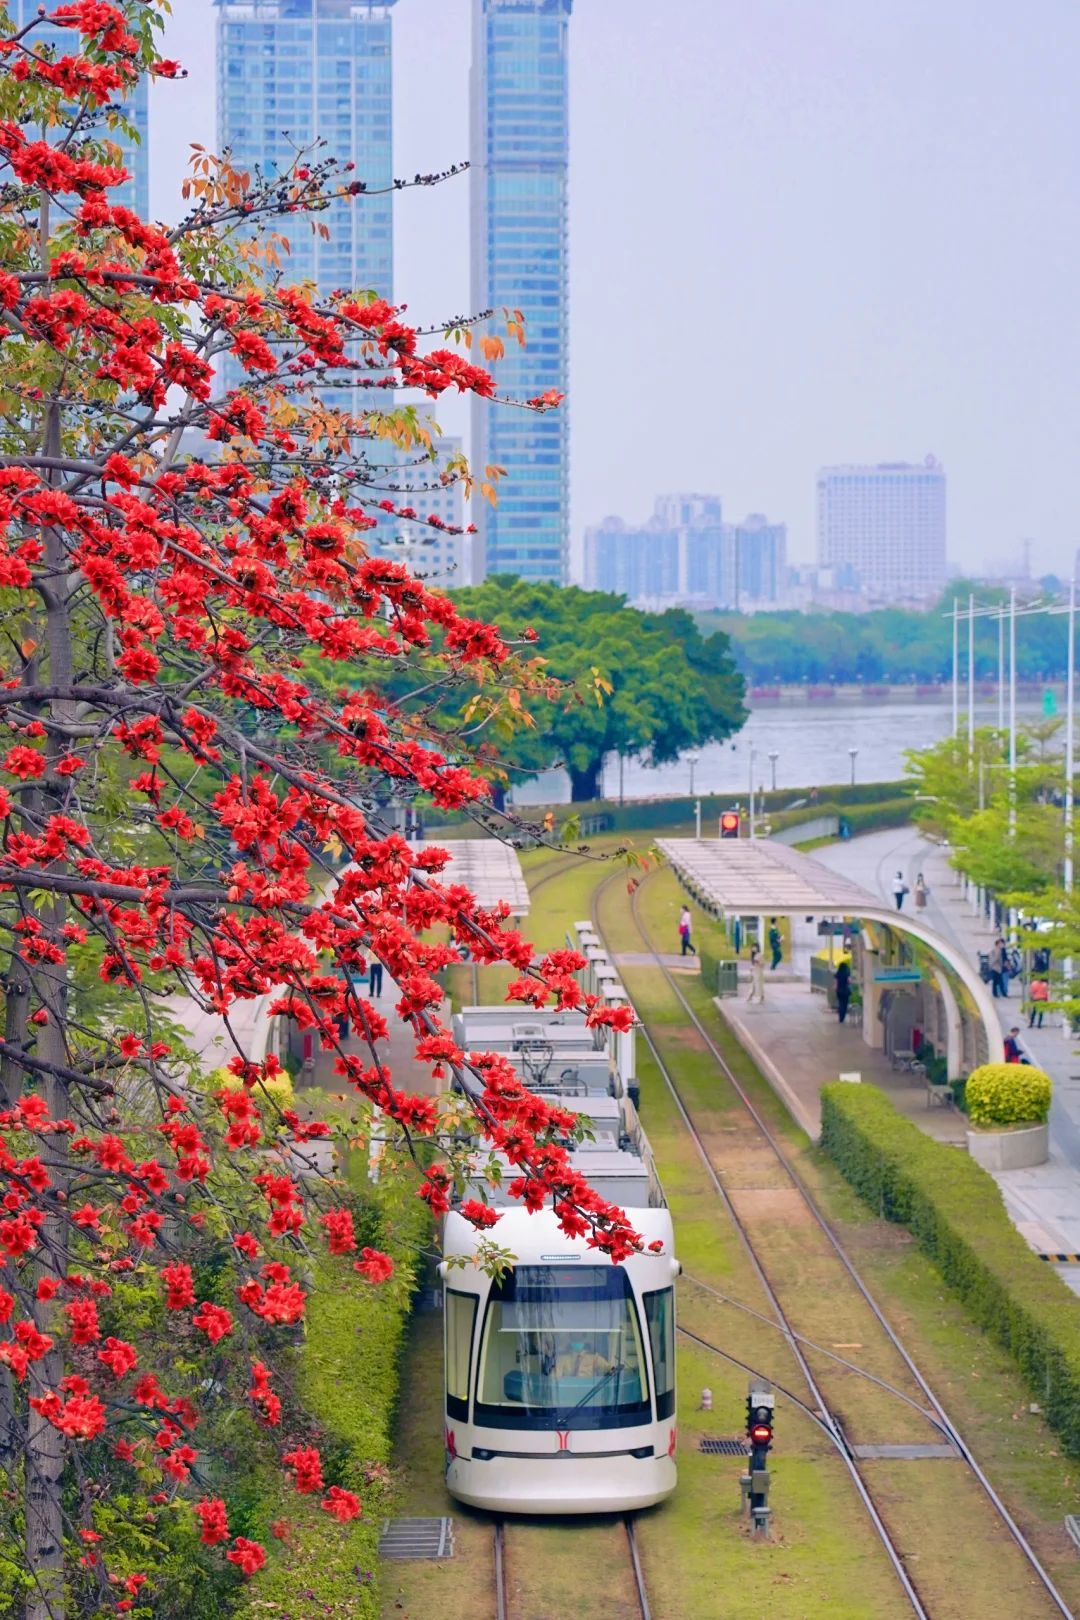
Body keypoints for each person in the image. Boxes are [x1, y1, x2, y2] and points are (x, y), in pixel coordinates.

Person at [834, 958, 852, 1025]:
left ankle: (840, 1017)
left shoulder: (837, 973)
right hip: (845, 991)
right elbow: (849, 981)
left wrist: (835, 988)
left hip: (839, 990)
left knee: (840, 1003)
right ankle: (843, 1017)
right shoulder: (847, 973)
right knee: (845, 1004)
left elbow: (836, 982)